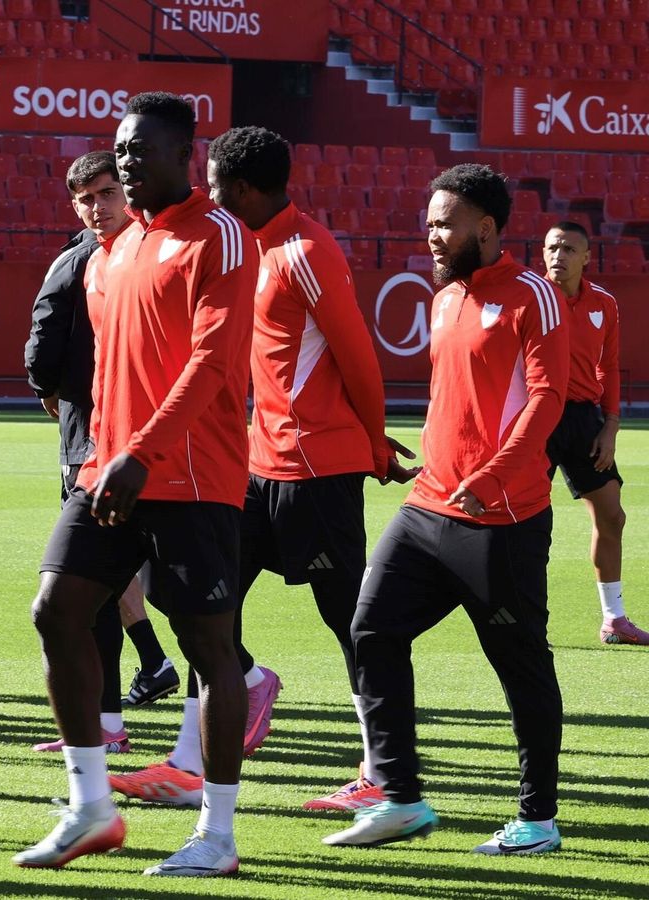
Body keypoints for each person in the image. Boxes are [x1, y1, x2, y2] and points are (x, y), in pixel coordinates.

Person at [15, 93, 255, 877]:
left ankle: (216, 836)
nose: (125, 160)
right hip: (111, 471)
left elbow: (213, 363)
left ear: (184, 152)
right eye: (119, 148)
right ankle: (90, 807)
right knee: (57, 610)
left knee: (209, 647)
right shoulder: (109, 251)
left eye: (140, 149)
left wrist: (142, 450)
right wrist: (105, 452)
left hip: (191, 475)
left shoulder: (219, 236)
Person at [325, 164, 569, 855]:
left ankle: (538, 820)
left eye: (445, 222)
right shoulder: (445, 298)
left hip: (503, 521)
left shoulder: (533, 298)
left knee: (520, 666)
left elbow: (548, 400)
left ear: (486, 229)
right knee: (370, 630)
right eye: (429, 221)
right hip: (429, 506)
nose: (431, 234)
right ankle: (400, 797)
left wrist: (493, 476)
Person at [190, 125, 415, 813]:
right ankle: (254, 680)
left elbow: (357, 354)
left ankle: (383, 771)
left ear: (247, 189)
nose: (210, 195)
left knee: (351, 622)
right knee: (197, 594)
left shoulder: (306, 250)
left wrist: (375, 442)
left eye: (218, 185)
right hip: (259, 464)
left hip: (318, 468)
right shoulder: (245, 247)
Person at [22, 150, 174, 754]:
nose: (99, 206)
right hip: (121, 434)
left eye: (107, 193)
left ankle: (232, 678)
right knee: (107, 584)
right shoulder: (130, 254)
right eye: (87, 198)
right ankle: (111, 719)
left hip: (99, 436)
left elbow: (41, 345)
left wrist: (49, 390)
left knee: (98, 582)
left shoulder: (85, 261)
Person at [540, 222, 644, 645]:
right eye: (551, 247)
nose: (557, 256)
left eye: (568, 249)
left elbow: (609, 367)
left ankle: (614, 619)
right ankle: (529, 623)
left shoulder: (604, 302)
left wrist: (611, 427)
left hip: (584, 419)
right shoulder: (530, 296)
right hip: (536, 415)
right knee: (527, 524)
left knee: (612, 516)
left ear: (587, 257)